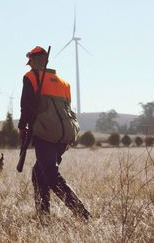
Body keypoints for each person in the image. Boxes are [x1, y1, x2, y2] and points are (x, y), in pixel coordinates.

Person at [18, 45, 91, 220]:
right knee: (38, 174)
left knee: (51, 175)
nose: (29, 66)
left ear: (34, 61)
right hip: (64, 135)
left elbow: (26, 105)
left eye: (30, 62)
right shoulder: (63, 83)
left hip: (45, 134)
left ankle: (83, 215)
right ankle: (44, 218)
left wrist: (22, 127)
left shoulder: (30, 78)